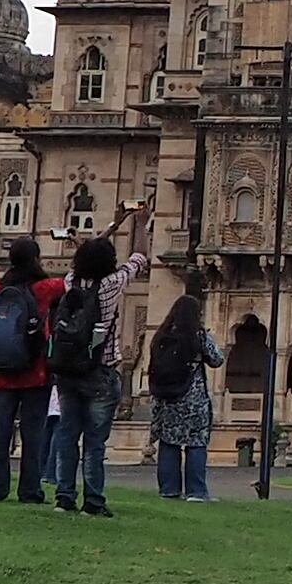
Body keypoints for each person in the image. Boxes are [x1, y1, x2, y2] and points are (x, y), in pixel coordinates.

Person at [44, 197, 151, 517]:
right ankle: (93, 500)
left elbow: (86, 260)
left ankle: (64, 497)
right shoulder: (112, 284)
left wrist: (87, 238)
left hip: (67, 371)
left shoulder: (70, 282)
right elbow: (139, 257)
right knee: (95, 441)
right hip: (101, 369)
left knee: (67, 435)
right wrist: (139, 223)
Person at [0, 237, 60, 506]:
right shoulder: (43, 288)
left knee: (0, 430)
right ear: (36, 259)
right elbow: (72, 282)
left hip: (0, 372)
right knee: (33, 433)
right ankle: (30, 490)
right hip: (34, 372)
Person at [144, 289, 225, 500]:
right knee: (196, 443)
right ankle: (196, 491)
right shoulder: (197, 336)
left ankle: (169, 489)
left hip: (166, 398)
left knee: (169, 442)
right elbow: (217, 359)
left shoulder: (161, 335)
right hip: (192, 397)